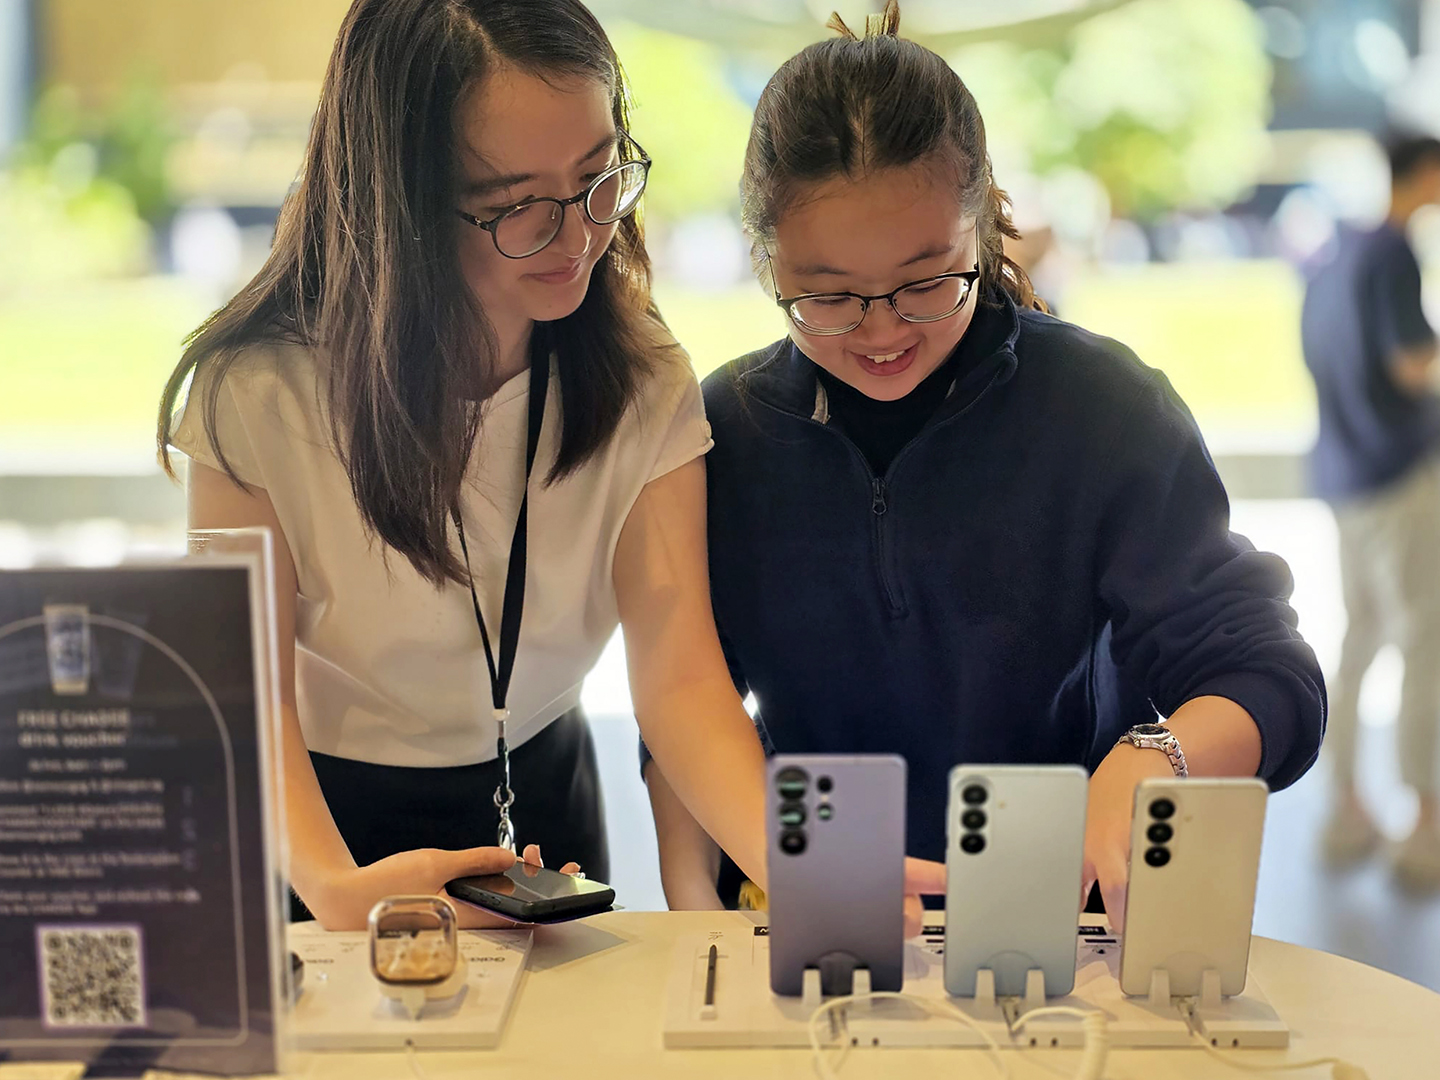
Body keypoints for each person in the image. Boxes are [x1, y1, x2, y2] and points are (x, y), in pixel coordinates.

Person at [645, 1, 1326, 926]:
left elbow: (1267, 674)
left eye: (928, 280)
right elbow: (685, 701)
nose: (882, 330)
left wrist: (1149, 760)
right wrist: (693, 906)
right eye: (828, 296)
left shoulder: (1100, 408)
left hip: (1050, 917)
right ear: (766, 262)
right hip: (807, 906)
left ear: (985, 225)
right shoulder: (722, 432)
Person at [157, 0, 781, 929]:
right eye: (516, 207)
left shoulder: (641, 372)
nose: (576, 238)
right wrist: (329, 887)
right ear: (397, 199)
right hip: (317, 823)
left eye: (599, 176)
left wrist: (805, 868)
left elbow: (682, 677)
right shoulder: (260, 391)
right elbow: (241, 689)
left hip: (542, 804)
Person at [1301, 134, 1440, 889]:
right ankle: (1426, 824)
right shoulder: (1392, 251)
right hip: (1397, 476)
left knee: (1360, 643)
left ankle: (1347, 808)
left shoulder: (1337, 252)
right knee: (1425, 646)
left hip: (1346, 472)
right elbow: (1410, 363)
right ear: (1424, 174)